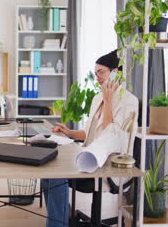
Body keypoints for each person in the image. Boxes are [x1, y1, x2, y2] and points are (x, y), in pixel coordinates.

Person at [41, 50, 139, 227]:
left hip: (109, 165)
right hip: (88, 157)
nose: (97, 77)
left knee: (55, 177)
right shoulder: (97, 98)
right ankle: (66, 214)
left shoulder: (129, 101)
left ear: (116, 72)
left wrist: (109, 101)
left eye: (101, 72)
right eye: (95, 73)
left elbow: (110, 137)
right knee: (46, 172)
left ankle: (58, 223)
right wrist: (69, 132)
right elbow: (88, 134)